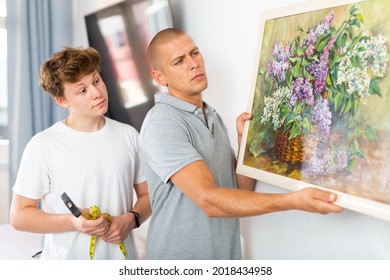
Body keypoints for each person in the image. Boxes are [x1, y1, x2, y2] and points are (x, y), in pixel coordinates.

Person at [139, 28, 343, 260]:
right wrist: (293, 200)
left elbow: (239, 191)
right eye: (179, 61)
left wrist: (244, 142)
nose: (193, 63)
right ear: (160, 77)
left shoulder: (210, 115)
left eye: (194, 53)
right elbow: (210, 201)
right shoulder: (162, 124)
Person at [10, 47, 151, 260]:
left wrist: (131, 220)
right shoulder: (43, 145)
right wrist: (71, 222)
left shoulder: (129, 136)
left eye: (96, 81)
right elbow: (19, 216)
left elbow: (149, 195)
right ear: (61, 101)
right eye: (82, 90)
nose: (96, 93)